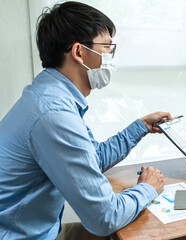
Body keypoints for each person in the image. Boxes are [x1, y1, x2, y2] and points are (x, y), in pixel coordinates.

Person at [0, 2, 172, 239]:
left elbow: (91, 158)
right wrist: (147, 188)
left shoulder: (48, 94)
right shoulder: (55, 115)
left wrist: (140, 126)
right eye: (107, 47)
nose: (111, 57)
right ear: (79, 52)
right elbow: (104, 217)